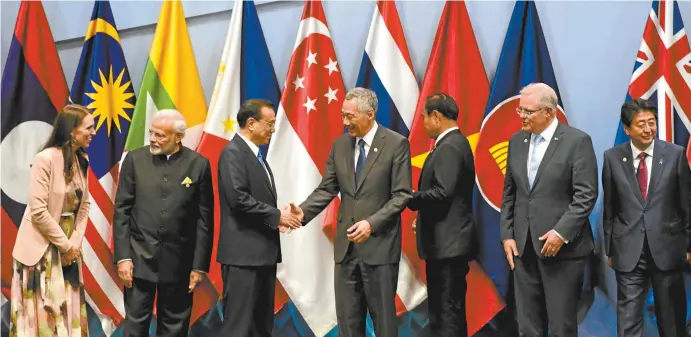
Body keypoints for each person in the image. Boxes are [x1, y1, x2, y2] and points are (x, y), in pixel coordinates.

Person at [292, 87, 412, 337]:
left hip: (379, 249)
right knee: (348, 323)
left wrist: (371, 224)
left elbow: (401, 195)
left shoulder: (396, 144)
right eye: (342, 115)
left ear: (370, 114)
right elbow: (327, 188)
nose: (345, 122)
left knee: (384, 324)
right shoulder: (340, 145)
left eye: (350, 116)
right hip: (346, 251)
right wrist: (301, 213)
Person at [500, 83, 598, 337]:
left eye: (527, 112)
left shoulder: (577, 142)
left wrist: (561, 233)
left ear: (548, 112)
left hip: (563, 251)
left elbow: (586, 195)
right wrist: (507, 235)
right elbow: (510, 193)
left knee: (562, 326)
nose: (521, 116)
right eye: (520, 110)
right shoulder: (517, 141)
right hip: (523, 247)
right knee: (528, 326)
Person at [113, 110, 213, 337]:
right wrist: (123, 257)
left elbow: (205, 220)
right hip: (138, 259)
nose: (153, 139)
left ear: (178, 137)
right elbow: (122, 211)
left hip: (180, 262)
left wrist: (198, 266)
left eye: (160, 135)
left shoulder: (198, 164)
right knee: (135, 325)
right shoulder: (134, 159)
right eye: (151, 133)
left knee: (175, 328)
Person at [602, 99, 691, 337]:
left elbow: (687, 205)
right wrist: (610, 247)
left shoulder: (675, 155)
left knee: (671, 320)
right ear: (627, 128)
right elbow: (610, 207)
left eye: (651, 123)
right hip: (629, 249)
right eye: (641, 124)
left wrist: (688, 246)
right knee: (629, 319)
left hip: (667, 249)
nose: (648, 129)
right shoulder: (612, 158)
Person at [216, 99, 302, 336]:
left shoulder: (254, 155)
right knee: (239, 326)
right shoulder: (233, 153)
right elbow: (238, 200)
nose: (273, 129)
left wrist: (278, 217)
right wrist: (277, 216)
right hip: (243, 258)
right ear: (251, 123)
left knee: (261, 326)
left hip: (262, 256)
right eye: (270, 123)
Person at [10, 104, 95, 336]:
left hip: (70, 252)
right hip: (41, 250)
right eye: (89, 127)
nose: (93, 132)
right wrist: (65, 245)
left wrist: (74, 244)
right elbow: (38, 211)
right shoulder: (44, 159)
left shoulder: (82, 159)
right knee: (44, 318)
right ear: (72, 131)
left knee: (68, 312)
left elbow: (84, 205)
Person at [406, 93, 475, 336]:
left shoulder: (450, 147)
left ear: (436, 116)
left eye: (424, 116)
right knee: (445, 310)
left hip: (448, 247)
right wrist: (423, 214)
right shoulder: (454, 143)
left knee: (447, 313)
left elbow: (443, 193)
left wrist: (409, 196)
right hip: (446, 244)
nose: (422, 122)